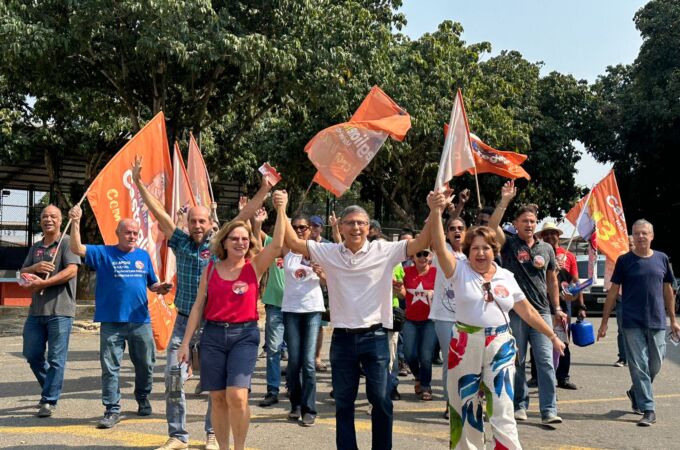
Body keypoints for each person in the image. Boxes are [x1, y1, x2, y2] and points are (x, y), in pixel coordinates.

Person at [278, 194, 442, 450]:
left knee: (382, 401)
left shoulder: (385, 250)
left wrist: (434, 211)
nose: (356, 227)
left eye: (361, 223)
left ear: (369, 227)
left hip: (375, 338)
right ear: (341, 227)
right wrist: (281, 208)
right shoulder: (329, 252)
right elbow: (291, 242)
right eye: (350, 223)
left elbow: (422, 241)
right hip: (342, 339)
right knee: (344, 404)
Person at [132, 156, 271, 450]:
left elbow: (243, 216)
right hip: (185, 319)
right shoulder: (180, 240)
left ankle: (211, 433)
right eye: (192, 220)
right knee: (172, 377)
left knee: (217, 388)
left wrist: (264, 191)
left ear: (210, 224)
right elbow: (158, 213)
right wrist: (137, 183)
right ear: (187, 222)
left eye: (202, 221)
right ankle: (178, 435)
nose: (197, 225)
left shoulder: (218, 245)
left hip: (215, 324)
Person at [430, 215, 565, 449]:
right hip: (464, 343)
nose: (480, 253)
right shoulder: (458, 269)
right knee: (465, 406)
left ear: (495, 250)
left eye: (485, 248)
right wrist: (436, 212)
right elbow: (440, 246)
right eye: (475, 249)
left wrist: (552, 335)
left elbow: (528, 311)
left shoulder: (506, 276)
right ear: (467, 251)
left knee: (502, 406)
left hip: (500, 343)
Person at [176, 190, 286, 450]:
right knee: (217, 397)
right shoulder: (211, 268)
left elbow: (278, 244)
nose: (240, 243)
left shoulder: (254, 267)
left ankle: (239, 447)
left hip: (244, 336)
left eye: (245, 239)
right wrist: (185, 343)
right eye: (234, 238)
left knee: (237, 396)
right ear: (224, 242)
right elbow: (197, 307)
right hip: (213, 336)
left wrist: (281, 209)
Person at [68, 206, 172, 429]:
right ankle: (112, 409)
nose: (132, 236)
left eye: (135, 233)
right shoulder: (103, 253)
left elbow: (152, 283)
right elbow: (76, 247)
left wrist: (160, 287)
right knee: (110, 367)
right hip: (111, 322)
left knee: (146, 364)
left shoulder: (143, 256)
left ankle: (143, 397)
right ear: (118, 233)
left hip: (140, 321)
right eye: (128, 232)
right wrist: (76, 221)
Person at [488, 181, 566, 425]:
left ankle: (549, 410)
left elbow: (552, 281)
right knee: (518, 361)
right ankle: (520, 405)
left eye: (533, 221)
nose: (529, 225)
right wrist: (504, 201)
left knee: (544, 361)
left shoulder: (547, 248)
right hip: (515, 312)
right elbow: (491, 227)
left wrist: (557, 309)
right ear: (516, 224)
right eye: (525, 221)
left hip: (541, 311)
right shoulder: (509, 244)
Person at [597, 219, 679, 427]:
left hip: (658, 321)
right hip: (631, 322)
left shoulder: (662, 259)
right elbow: (613, 292)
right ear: (632, 237)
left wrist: (673, 320)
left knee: (656, 364)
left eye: (644, 233)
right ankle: (648, 408)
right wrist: (604, 322)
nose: (640, 237)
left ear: (651, 236)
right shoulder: (624, 261)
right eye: (636, 233)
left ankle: (635, 392)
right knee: (639, 365)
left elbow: (668, 290)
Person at [20, 205, 80, 418]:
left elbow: (71, 271)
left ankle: (49, 400)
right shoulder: (35, 247)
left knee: (56, 358)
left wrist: (45, 284)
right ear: (41, 221)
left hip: (60, 311)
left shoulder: (66, 243)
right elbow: (22, 273)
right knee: (31, 354)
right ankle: (51, 387)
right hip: (36, 311)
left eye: (53, 216)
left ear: (61, 220)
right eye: (45, 216)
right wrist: (34, 270)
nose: (48, 219)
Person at [280, 215, 326, 426]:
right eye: (295, 227)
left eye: (303, 227)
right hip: (291, 309)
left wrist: (322, 274)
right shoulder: (286, 250)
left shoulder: (320, 250)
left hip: (312, 310)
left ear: (311, 230)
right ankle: (295, 404)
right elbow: (261, 238)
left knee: (308, 362)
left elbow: (329, 281)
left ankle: (309, 408)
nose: (299, 230)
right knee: (294, 362)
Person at [536, 222, 584, 390]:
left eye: (553, 233)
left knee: (563, 343)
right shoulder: (538, 252)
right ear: (541, 236)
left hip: (562, 307)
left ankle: (562, 377)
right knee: (539, 342)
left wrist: (581, 306)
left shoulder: (569, 256)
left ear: (558, 235)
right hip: (540, 305)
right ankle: (537, 377)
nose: (550, 236)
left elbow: (576, 283)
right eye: (546, 234)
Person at [428, 212, 468, 418]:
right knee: (451, 360)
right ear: (447, 234)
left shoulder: (474, 255)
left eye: (460, 228)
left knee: (470, 360)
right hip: (445, 316)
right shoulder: (441, 253)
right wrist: (438, 209)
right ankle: (450, 403)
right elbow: (435, 235)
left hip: (470, 316)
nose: (457, 231)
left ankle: (470, 402)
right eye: (452, 229)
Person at [400, 247, 437, 401]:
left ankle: (426, 386)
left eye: (425, 254)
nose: (422, 257)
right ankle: (418, 377)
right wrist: (398, 289)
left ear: (430, 256)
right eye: (418, 254)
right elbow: (402, 293)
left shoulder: (436, 272)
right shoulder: (406, 271)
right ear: (413, 257)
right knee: (409, 354)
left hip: (430, 321)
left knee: (426, 356)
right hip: (410, 319)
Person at [309, 214, 330, 373]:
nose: (313, 229)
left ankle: (317, 357)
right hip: (303, 291)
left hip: (321, 290)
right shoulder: (302, 244)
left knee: (320, 326)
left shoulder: (327, 245)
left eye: (316, 226)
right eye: (311, 225)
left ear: (321, 228)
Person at [613, 235, 635, 367]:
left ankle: (637, 358)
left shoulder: (643, 259)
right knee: (622, 330)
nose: (630, 246)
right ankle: (623, 358)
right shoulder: (620, 260)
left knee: (640, 330)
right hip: (622, 299)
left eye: (631, 244)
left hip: (639, 301)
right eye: (627, 244)